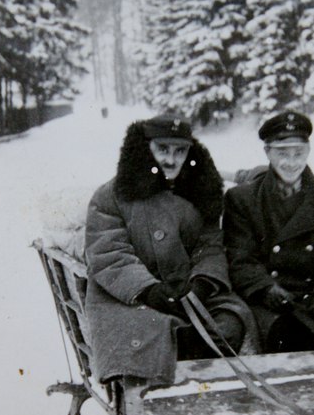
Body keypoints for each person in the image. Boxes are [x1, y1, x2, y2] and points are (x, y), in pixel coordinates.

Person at [85, 114, 250, 388]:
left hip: (187, 292)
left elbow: (210, 245)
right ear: (145, 148)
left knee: (229, 323)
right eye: (162, 149)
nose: (171, 160)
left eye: (180, 151)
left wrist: (202, 283)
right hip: (129, 298)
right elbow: (110, 253)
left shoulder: (200, 192)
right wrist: (149, 289)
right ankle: (152, 398)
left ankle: (202, 391)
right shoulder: (112, 195)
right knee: (145, 334)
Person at [223, 110, 314, 354]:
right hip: (267, 301)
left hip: (313, 296)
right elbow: (239, 257)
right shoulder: (243, 199)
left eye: (298, 153)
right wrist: (264, 287)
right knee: (282, 334)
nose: (291, 163)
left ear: (308, 151)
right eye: (282, 153)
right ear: (267, 153)